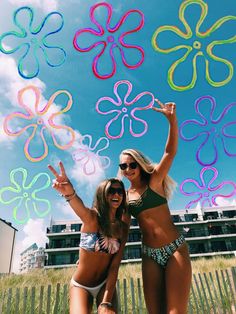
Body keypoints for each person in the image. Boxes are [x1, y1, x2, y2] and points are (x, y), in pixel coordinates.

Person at [118, 99, 192, 314]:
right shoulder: (124, 197)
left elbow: (169, 153)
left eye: (132, 164)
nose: (128, 168)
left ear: (139, 165)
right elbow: (122, 232)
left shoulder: (155, 181)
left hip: (174, 248)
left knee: (175, 312)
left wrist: (172, 121)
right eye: (124, 166)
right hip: (150, 254)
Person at [48, 161, 129, 314]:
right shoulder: (91, 218)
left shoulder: (122, 228)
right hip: (81, 285)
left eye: (120, 191)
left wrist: (105, 302)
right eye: (111, 190)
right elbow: (78, 206)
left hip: (105, 283)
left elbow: (114, 266)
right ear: (102, 194)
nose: (116, 194)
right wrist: (69, 192)